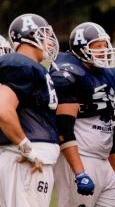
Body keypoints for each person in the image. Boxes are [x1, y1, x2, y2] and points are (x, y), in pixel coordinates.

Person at [50, 22, 115, 207]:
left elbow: (109, 130)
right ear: (81, 48)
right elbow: (64, 129)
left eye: (105, 45)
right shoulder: (69, 73)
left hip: (105, 160)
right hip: (82, 157)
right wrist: (79, 172)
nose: (104, 50)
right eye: (98, 46)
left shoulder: (104, 75)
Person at [0, 13, 60, 207]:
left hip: (32, 160)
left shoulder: (33, 67)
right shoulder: (18, 63)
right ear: (29, 36)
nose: (49, 41)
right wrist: (26, 147)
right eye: (44, 35)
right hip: (26, 160)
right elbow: (3, 108)